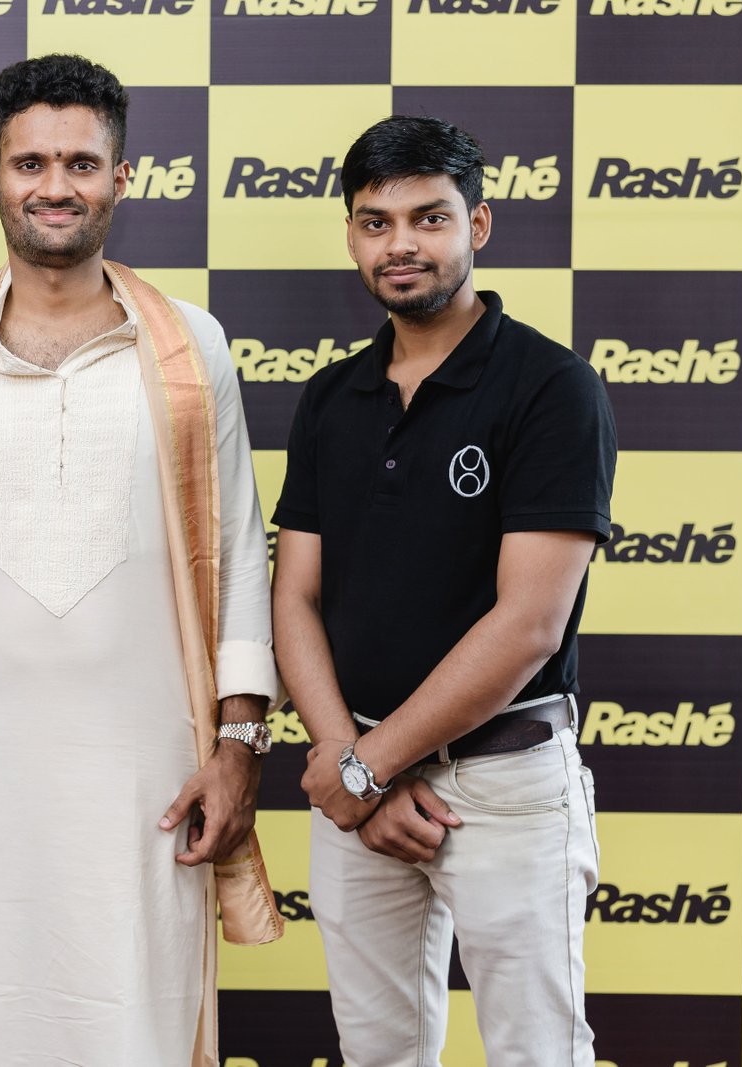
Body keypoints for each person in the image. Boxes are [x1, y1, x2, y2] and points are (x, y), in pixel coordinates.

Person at [0, 53, 283, 1067]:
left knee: (136, 1025)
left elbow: (239, 555)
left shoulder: (191, 348)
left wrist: (239, 747)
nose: (56, 185)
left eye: (81, 162)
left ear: (123, 176)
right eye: (30, 163)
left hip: (148, 782)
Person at [272, 114, 615, 1067]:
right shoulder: (331, 395)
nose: (402, 245)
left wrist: (365, 770)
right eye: (376, 222)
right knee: (377, 1054)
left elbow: (528, 623)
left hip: (500, 782)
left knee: (537, 1053)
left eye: (430, 218)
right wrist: (350, 761)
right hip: (357, 775)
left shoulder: (552, 387)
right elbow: (294, 597)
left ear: (479, 225)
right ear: (352, 235)